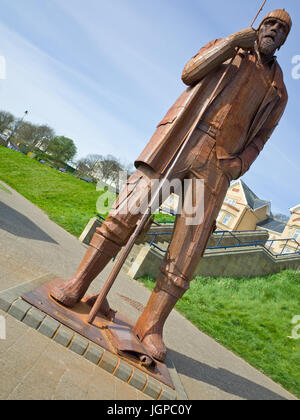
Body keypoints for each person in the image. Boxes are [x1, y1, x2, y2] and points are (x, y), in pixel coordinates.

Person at [51, 10, 292, 362]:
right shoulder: (230, 48)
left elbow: (262, 136)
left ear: (285, 39)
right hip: (182, 139)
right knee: (127, 211)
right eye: (270, 23)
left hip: (218, 163)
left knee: (188, 247)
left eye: (282, 29)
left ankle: (150, 325)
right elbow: (189, 73)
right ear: (260, 24)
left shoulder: (278, 90)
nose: (273, 30)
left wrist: (240, 163)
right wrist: (228, 44)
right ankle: (78, 284)